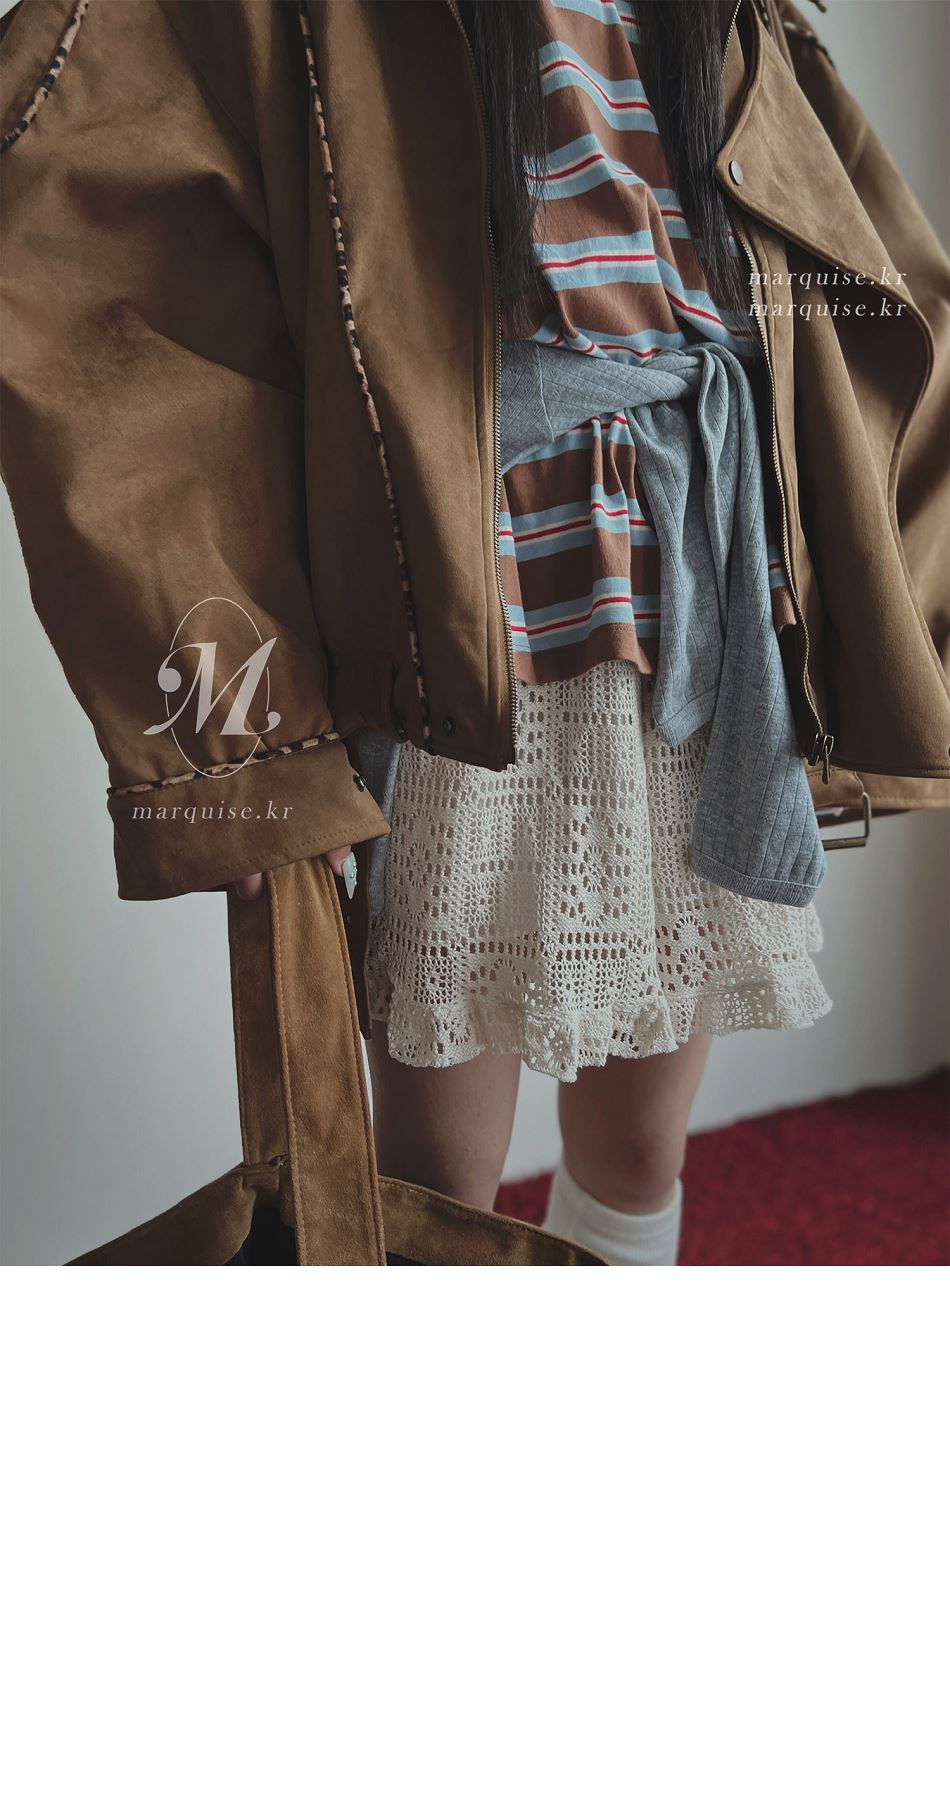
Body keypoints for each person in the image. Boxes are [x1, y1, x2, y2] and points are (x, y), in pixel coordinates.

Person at [1, 0, 947, 1265]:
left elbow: (849, 266)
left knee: (638, 1152)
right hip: (466, 615)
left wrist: (866, 602)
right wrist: (239, 742)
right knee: (435, 1184)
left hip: (699, 583)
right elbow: (108, 271)